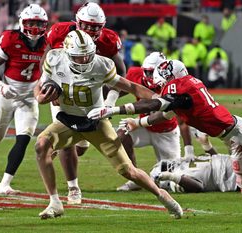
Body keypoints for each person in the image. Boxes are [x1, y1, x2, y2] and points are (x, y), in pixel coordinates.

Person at [88, 59, 242, 222]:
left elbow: (155, 104)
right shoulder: (188, 84)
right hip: (237, 127)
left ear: (168, 78)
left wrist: (116, 110)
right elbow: (164, 113)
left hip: (236, 136)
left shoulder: (178, 88)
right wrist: (136, 123)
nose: (158, 86)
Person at [34, 30, 183, 220]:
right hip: (68, 121)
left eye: (88, 55)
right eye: (79, 57)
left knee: (127, 171)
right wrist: (40, 96)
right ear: (68, 53)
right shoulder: (54, 59)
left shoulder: (101, 65)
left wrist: (158, 99)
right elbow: (39, 85)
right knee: (41, 145)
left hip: (96, 122)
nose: (85, 61)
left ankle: (163, 196)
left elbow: (131, 87)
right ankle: (55, 202)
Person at [44, 2, 126, 205]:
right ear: (77, 22)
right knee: (66, 142)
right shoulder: (59, 32)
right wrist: (48, 84)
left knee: (81, 146)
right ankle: (73, 187)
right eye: (87, 25)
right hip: (64, 93)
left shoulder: (108, 39)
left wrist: (108, 101)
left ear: (103, 25)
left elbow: (121, 73)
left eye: (96, 26)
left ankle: (72, 144)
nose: (91, 30)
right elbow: (48, 57)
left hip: (91, 98)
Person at [0, 4, 48, 194]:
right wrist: (0, 85)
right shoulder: (11, 39)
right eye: (31, 22)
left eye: (38, 23)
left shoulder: (48, 43)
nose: (35, 27)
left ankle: (4, 184)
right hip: (7, 93)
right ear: (22, 23)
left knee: (24, 138)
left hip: (29, 95)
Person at [105, 52, 195, 191]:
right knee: (122, 135)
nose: (148, 76)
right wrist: (109, 101)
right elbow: (120, 86)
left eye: (151, 72)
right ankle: (136, 179)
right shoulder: (136, 74)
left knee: (172, 178)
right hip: (143, 127)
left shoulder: (173, 83)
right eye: (146, 72)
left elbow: (182, 119)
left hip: (166, 132)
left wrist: (189, 149)